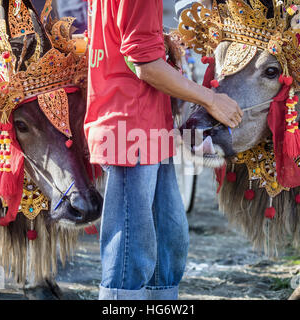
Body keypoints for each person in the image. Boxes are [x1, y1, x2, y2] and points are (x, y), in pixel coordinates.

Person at [85, 0, 242, 300]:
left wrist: (161, 42)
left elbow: (128, 43)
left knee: (168, 238)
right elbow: (146, 66)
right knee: (131, 249)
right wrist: (210, 99)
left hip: (149, 124)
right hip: (130, 128)